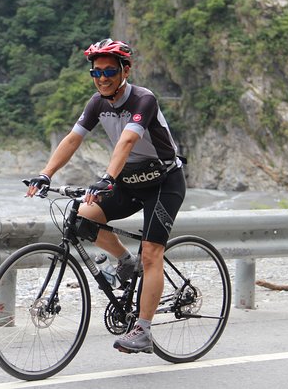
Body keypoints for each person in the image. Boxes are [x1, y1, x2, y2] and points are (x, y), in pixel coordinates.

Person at [25, 38, 186, 354]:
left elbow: (126, 142)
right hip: (129, 181)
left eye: (109, 71)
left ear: (126, 70)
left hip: (164, 182)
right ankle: (126, 261)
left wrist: (106, 179)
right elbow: (73, 139)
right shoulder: (97, 103)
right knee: (84, 220)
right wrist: (46, 174)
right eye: (95, 73)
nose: (102, 78)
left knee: (152, 252)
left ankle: (143, 330)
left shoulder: (144, 100)